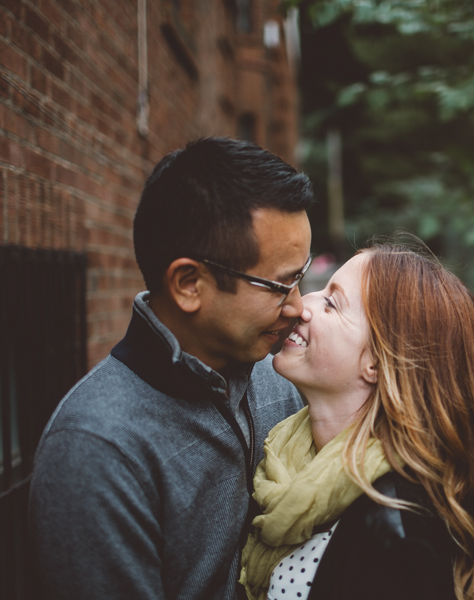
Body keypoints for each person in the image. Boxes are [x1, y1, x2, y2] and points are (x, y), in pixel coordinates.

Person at [29, 138, 313, 600]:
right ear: (189, 284)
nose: (298, 308)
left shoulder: (280, 373)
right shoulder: (97, 450)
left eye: (300, 279)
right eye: (280, 285)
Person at [240, 239, 474, 600]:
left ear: (377, 360)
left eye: (331, 302)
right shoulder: (285, 459)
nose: (301, 305)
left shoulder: (400, 532)